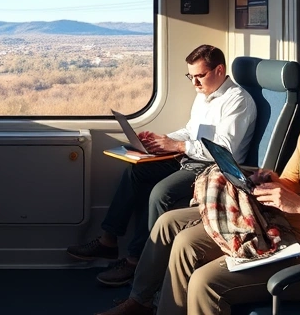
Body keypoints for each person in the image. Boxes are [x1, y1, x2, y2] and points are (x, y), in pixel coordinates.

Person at [100, 52, 300, 315]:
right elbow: (292, 180)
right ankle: (146, 304)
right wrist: (270, 181)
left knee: (207, 283)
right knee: (185, 242)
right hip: (284, 228)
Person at [68, 45, 257, 286]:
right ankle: (108, 240)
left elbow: (223, 149)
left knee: (160, 193)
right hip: (191, 157)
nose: (195, 84)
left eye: (200, 76)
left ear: (219, 70)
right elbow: (191, 131)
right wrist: (162, 141)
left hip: (214, 168)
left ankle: (138, 263)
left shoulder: (237, 101)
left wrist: (177, 147)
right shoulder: (204, 96)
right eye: (191, 76)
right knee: (137, 171)